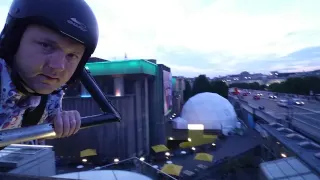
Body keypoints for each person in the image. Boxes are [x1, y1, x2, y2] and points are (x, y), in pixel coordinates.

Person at [0, 0, 99, 144]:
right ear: (13, 41)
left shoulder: (50, 97)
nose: (58, 66)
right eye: (46, 46)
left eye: (71, 56)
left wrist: (59, 121)